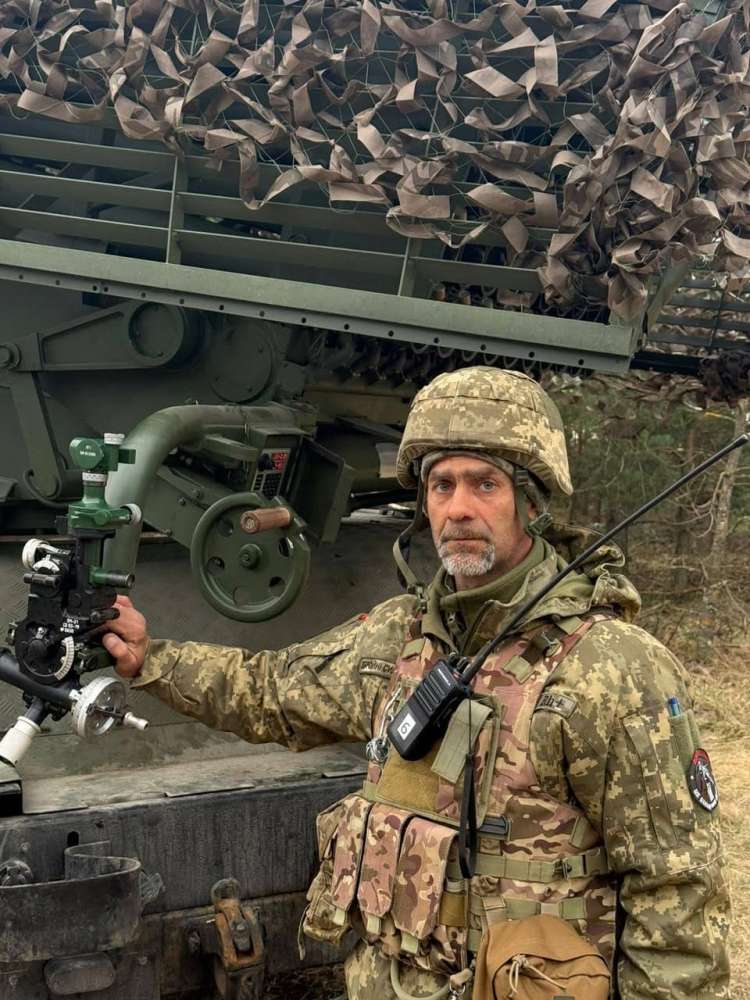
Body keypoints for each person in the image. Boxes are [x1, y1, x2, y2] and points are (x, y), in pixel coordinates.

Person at [102, 368, 730, 999]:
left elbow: (676, 896)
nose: (459, 509)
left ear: (532, 504)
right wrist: (150, 659)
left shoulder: (611, 668)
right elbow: (273, 691)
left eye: (485, 484)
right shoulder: (400, 635)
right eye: (441, 485)